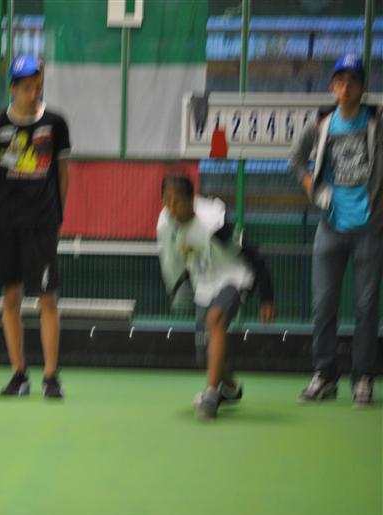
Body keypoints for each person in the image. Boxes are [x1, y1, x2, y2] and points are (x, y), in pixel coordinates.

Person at [0, 54, 72, 399]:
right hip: (6, 225)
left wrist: (56, 215)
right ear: (12, 88)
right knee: (11, 298)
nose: (33, 93)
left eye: (37, 86)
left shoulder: (56, 124)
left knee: (48, 299)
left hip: (42, 225)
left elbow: (63, 174)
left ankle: (50, 377)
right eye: (27, 87)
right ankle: (19, 375)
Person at [289, 53, 382, 407]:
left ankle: (363, 379)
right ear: (332, 86)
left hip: (369, 230)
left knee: (366, 307)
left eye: (353, 81)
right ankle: (325, 376)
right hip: (330, 227)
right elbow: (296, 160)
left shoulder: (377, 122)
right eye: (340, 81)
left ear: (362, 87)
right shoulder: (321, 124)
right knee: (323, 305)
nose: (346, 87)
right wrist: (313, 188)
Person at [157, 176, 275, 419]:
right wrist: (178, 286)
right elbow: (171, 259)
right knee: (205, 355)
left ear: (191, 200)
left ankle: (210, 395)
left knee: (216, 319)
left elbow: (253, 253)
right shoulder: (166, 224)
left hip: (234, 276)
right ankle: (230, 388)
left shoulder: (214, 224)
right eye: (166, 201)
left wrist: (267, 297)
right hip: (204, 283)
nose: (171, 207)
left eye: (176, 201)